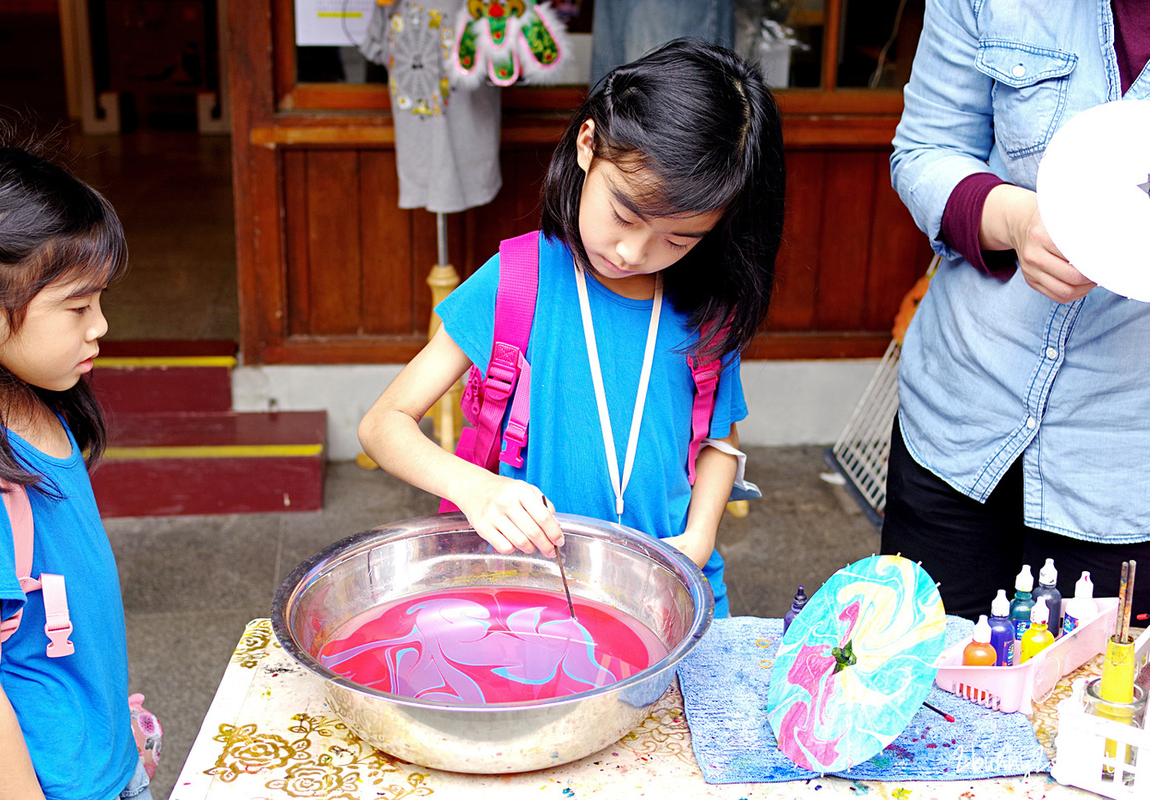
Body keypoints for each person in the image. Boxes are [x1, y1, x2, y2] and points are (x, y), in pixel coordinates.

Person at [359, 38, 785, 619]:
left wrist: (702, 535)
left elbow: (717, 440)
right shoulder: (518, 281)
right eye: (625, 214)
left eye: (678, 239)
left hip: (669, 594)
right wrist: (476, 490)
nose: (634, 251)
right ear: (589, 144)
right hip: (527, 599)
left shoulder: (707, 303)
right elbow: (384, 424)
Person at [884, 0, 1150, 619]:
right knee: (930, 685)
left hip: (1124, 466)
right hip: (961, 421)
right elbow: (925, 148)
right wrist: (1017, 220)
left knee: (1088, 705)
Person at [0, 120, 150, 800]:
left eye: (100, 301)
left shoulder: (46, 408)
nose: (99, 326)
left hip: (103, 758)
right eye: (77, 307)